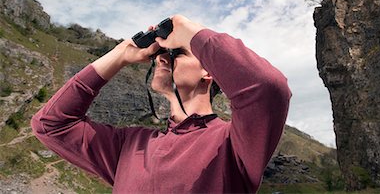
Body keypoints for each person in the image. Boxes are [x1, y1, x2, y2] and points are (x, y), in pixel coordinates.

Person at [31, 15, 291, 193]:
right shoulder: (128, 146)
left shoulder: (233, 142)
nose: (161, 59)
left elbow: (268, 87)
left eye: (177, 53)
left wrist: (188, 31)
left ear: (209, 72)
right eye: (159, 55)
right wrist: (121, 54)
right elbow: (50, 125)